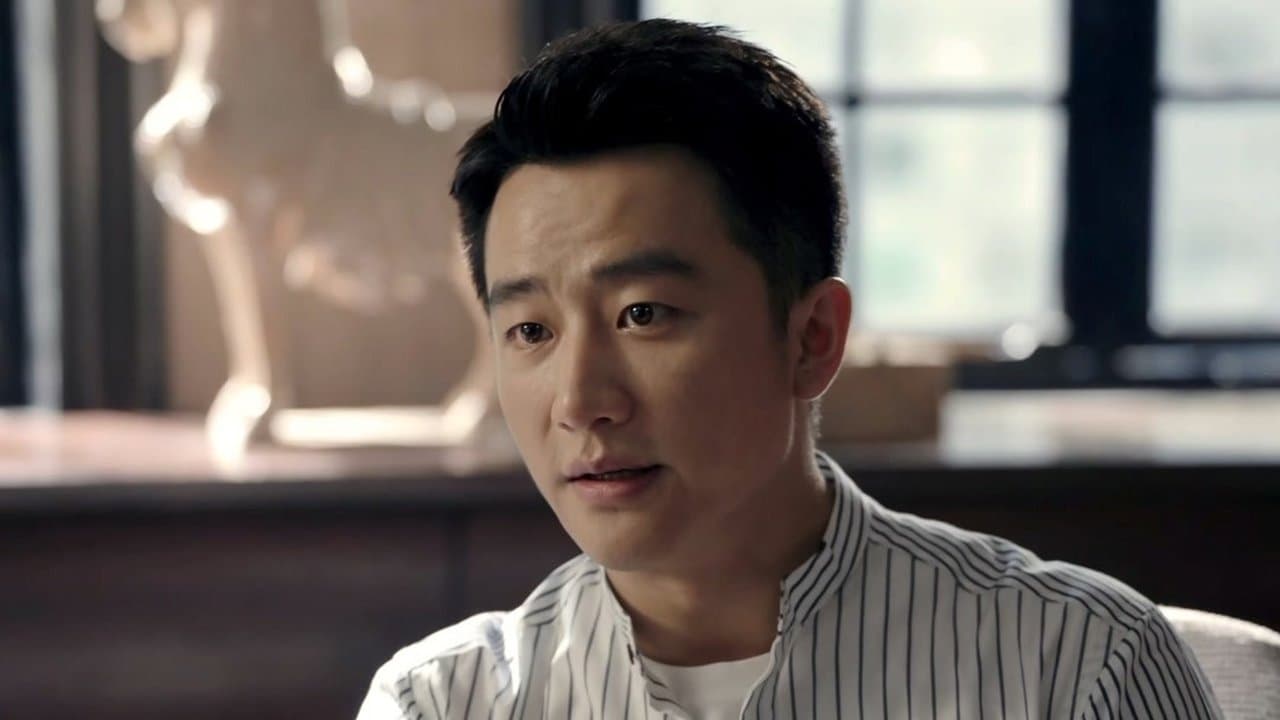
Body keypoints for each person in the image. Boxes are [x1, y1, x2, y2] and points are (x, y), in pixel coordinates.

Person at [358, 19, 1222, 720]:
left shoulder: (1077, 667)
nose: (581, 401)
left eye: (643, 314)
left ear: (813, 338)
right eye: (531, 330)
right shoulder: (442, 702)